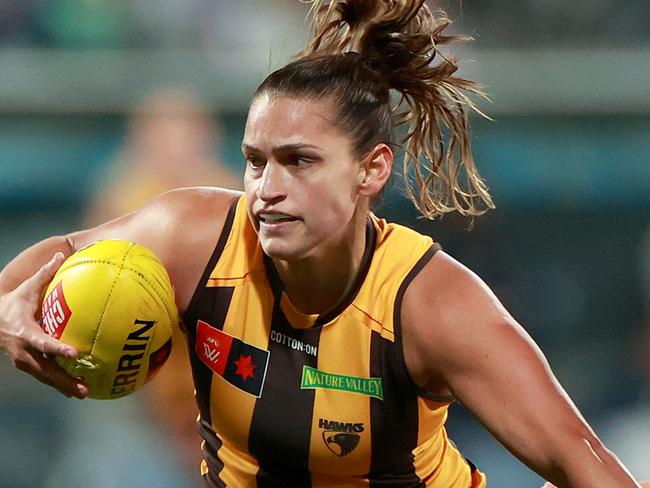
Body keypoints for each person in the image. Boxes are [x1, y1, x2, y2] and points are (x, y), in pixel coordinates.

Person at [0, 1, 647, 486]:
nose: (267, 188)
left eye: (299, 162)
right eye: (255, 162)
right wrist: (11, 315)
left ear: (372, 170)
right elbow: (53, 254)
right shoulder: (193, 235)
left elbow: (578, 457)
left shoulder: (430, 304)